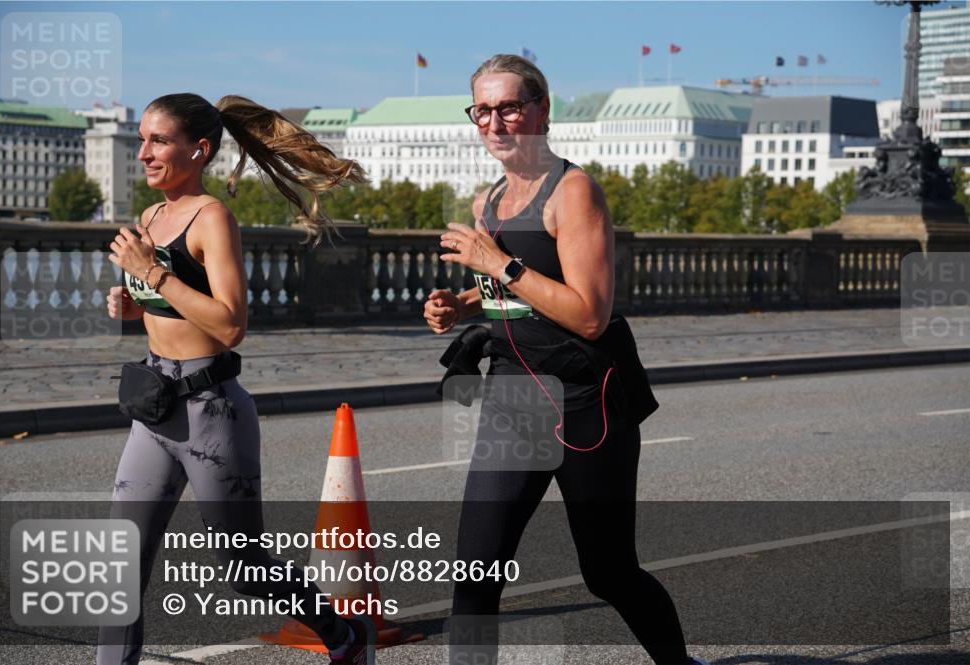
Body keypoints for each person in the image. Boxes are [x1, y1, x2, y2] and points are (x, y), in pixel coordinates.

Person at [423, 55, 709, 665]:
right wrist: (465, 304)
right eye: (482, 110)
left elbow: (587, 314)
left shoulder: (573, 192)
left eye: (508, 108)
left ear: (541, 111)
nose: (494, 123)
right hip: (512, 399)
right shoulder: (490, 200)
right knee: (475, 575)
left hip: (583, 402)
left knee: (608, 572)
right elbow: (516, 295)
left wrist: (495, 264)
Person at [103, 93, 373, 665]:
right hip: (154, 407)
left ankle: (341, 632)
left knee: (246, 571)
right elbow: (174, 306)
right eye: (143, 139)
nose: (144, 152)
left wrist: (149, 271)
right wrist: (134, 303)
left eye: (159, 141)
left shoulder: (212, 218)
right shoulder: (152, 217)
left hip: (211, 412)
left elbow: (229, 325)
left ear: (198, 151)